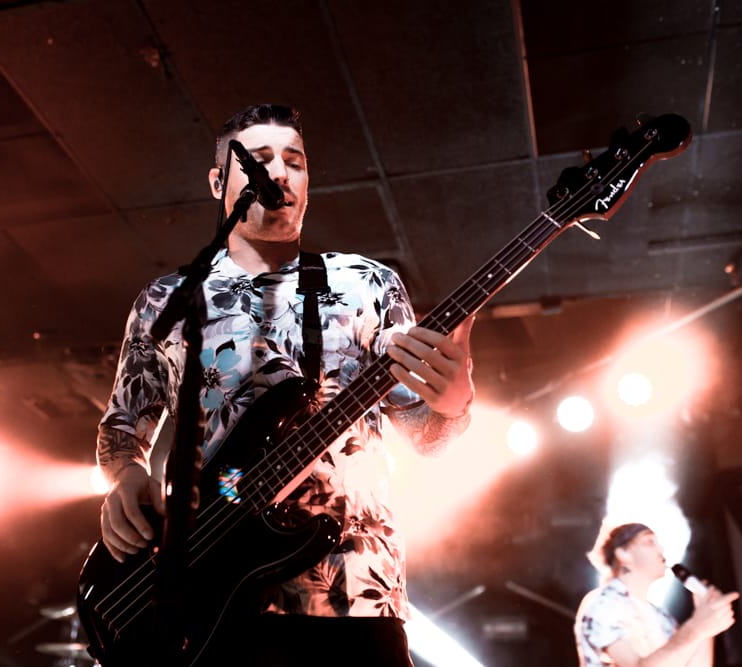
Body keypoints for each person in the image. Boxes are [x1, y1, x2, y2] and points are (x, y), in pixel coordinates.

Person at [95, 103, 475, 666]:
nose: (279, 173)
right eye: (259, 159)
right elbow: (123, 426)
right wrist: (125, 476)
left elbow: (427, 439)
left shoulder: (367, 285)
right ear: (219, 183)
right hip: (207, 605)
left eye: (294, 161)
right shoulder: (165, 301)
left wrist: (454, 404)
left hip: (355, 597)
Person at [574, 522, 740, 667]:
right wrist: (695, 629)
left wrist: (705, 629)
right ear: (623, 553)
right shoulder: (603, 603)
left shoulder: (662, 617)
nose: (661, 549)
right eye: (649, 541)